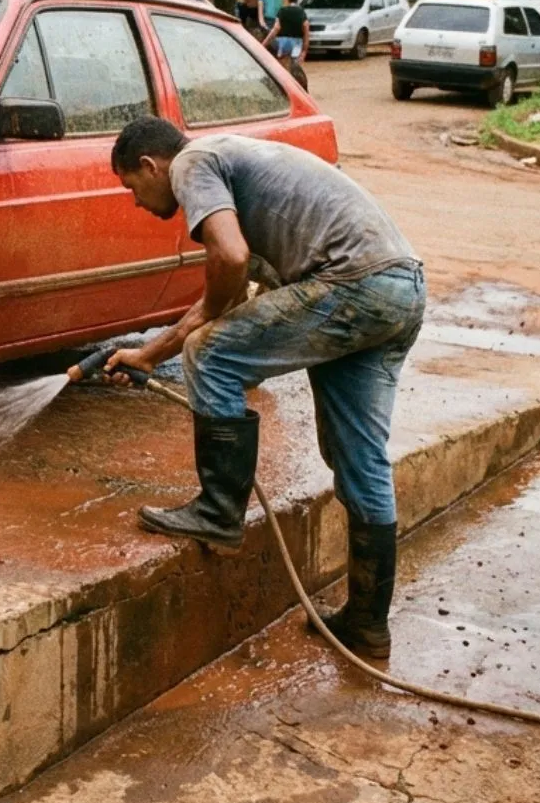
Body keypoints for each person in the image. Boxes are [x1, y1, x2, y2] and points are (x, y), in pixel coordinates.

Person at [72, 117, 425, 659]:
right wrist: (148, 354)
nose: (138, 203)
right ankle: (367, 624)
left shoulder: (193, 163)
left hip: (351, 283)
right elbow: (230, 295)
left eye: (131, 189)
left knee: (211, 353)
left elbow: (229, 261)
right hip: (397, 290)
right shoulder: (243, 176)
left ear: (150, 165)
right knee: (359, 461)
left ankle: (218, 513)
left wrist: (199, 341)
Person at [264, 0, 309, 68]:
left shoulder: (282, 10)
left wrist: (264, 43)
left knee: (282, 66)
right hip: (297, 43)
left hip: (282, 42)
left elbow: (276, 28)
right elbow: (306, 29)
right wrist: (304, 51)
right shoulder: (301, 12)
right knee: (294, 66)